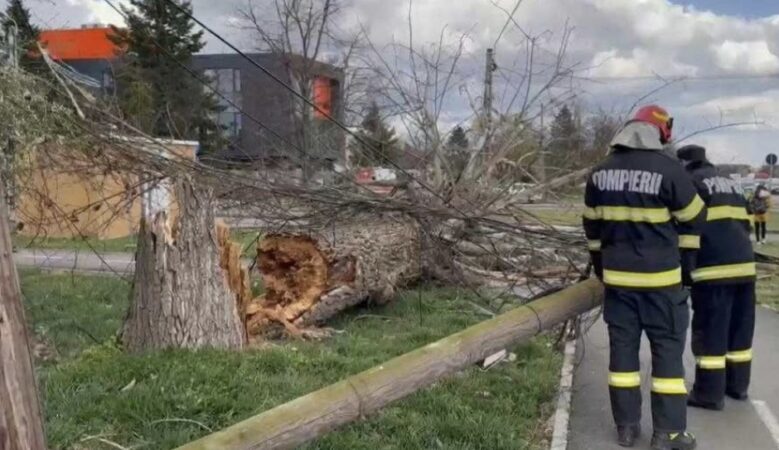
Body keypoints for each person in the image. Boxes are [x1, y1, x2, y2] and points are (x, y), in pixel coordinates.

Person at [583, 105, 705, 449]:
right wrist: (686, 266)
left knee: (622, 357)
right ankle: (668, 433)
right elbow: (695, 217)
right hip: (662, 285)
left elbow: (592, 229)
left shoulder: (599, 173)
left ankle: (626, 427)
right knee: (667, 355)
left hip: (619, 285)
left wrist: (602, 270)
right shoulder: (669, 170)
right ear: (659, 133)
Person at [676, 145, 756, 411]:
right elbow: (746, 223)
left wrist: (686, 271)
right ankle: (737, 387)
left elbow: (688, 228)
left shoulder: (691, 182)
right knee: (739, 333)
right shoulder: (729, 182)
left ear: (684, 163)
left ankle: (709, 394)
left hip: (712, 269)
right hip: (745, 267)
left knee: (711, 332)